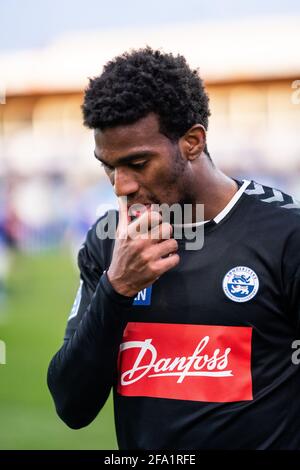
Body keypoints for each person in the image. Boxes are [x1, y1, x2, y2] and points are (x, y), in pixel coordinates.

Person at [47, 47, 300, 450]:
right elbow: (71, 405)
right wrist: (116, 290)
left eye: (138, 163)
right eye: (108, 166)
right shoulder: (109, 240)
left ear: (192, 142)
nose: (120, 186)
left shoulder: (287, 233)